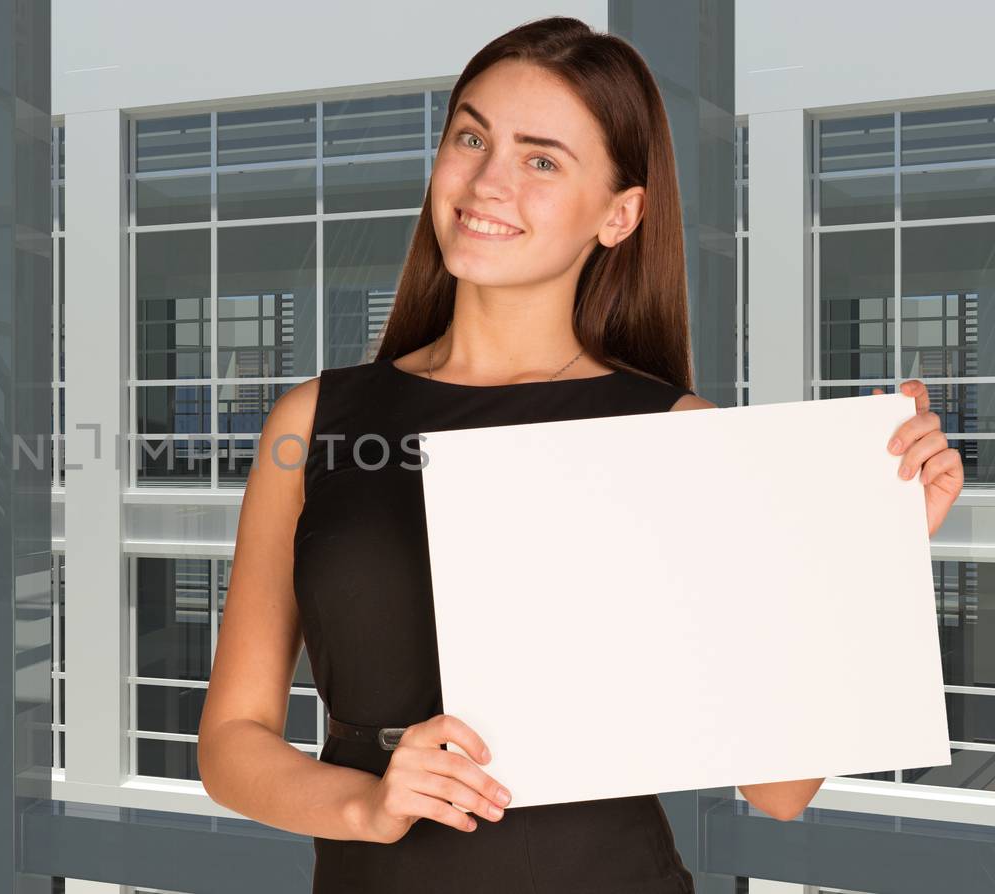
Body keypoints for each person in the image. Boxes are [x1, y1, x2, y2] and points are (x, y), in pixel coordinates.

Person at [195, 14, 964, 893]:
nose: (488, 181)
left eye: (542, 159)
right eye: (472, 138)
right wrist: (367, 808)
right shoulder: (315, 421)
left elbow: (778, 788)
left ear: (619, 213)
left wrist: (879, 549)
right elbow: (231, 745)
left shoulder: (675, 435)